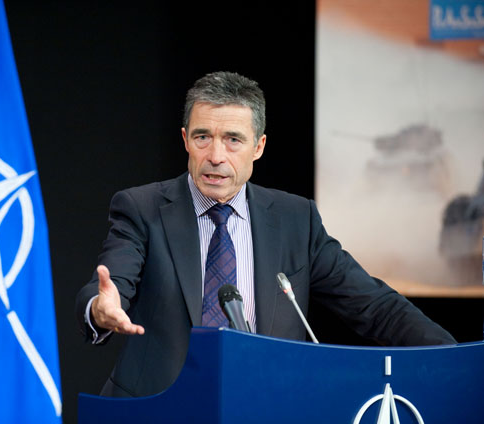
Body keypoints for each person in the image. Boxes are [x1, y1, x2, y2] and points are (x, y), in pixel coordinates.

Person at [75, 71, 456, 398]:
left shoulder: (295, 220)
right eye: (203, 137)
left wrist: (455, 359)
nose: (216, 155)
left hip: (266, 407)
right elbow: (109, 284)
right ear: (185, 139)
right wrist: (100, 308)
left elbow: (375, 306)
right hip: (158, 410)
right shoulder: (142, 208)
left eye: (233, 140)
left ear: (258, 146)